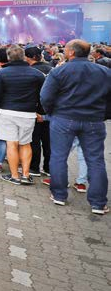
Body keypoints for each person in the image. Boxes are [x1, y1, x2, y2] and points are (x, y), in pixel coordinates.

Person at [40, 39, 110, 214]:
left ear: (71, 52)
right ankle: (98, 203)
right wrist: (104, 115)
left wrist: (51, 113)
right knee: (95, 160)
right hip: (93, 120)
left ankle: (59, 195)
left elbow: (45, 97)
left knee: (58, 157)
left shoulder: (60, 71)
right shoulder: (104, 72)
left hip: (64, 118)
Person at [0, 45, 45, 186]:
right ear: (24, 56)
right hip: (27, 113)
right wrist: (40, 110)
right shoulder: (37, 74)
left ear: (8, 57)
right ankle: (26, 175)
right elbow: (43, 95)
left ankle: (15, 176)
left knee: (11, 144)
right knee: (26, 143)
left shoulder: (2, 73)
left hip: (6, 111)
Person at [25, 47, 51, 177]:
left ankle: (34, 167)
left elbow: (29, 92)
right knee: (48, 141)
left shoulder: (30, 72)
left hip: (34, 110)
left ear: (28, 57)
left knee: (34, 140)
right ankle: (48, 168)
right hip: (50, 111)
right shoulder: (52, 69)